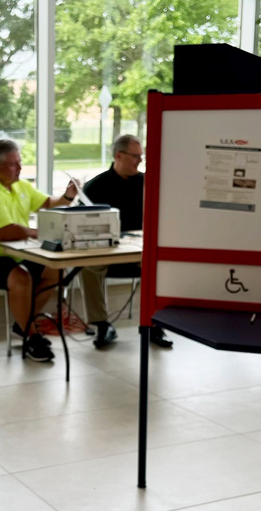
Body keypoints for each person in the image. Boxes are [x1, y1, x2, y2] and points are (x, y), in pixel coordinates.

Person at [0, 138, 78, 362]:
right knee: (20, 277)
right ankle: (31, 336)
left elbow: (47, 204)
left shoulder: (19, 186)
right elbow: (5, 231)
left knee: (54, 270)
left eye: (20, 162)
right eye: (15, 164)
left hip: (13, 255)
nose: (20, 168)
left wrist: (68, 196)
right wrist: (38, 232)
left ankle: (23, 327)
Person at [80, 134, 172, 349]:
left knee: (156, 265)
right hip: (107, 249)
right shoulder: (96, 186)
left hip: (139, 249)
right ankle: (101, 324)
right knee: (87, 267)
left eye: (141, 157)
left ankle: (153, 323)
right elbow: (87, 225)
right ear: (119, 155)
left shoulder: (147, 183)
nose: (140, 162)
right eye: (136, 157)